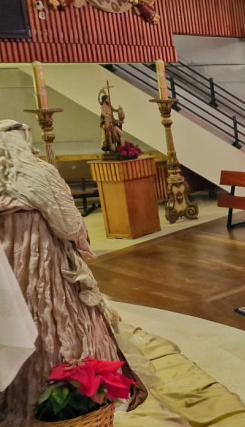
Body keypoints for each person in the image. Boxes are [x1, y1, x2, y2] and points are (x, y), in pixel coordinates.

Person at [0, 120, 145, 424]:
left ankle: (16, 399)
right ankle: (71, 400)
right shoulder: (39, 173)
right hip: (44, 265)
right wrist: (81, 241)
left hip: (6, 270)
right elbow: (68, 226)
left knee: (12, 324)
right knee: (57, 322)